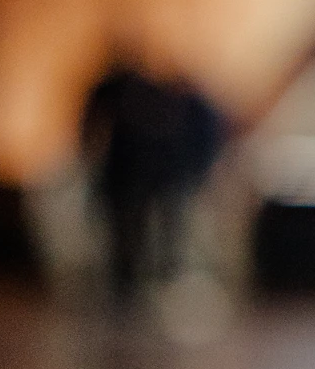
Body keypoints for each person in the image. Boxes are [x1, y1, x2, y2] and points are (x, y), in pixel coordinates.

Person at [78, 61, 228, 302]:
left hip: (156, 177)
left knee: (160, 228)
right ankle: (133, 281)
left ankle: (154, 277)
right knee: (135, 229)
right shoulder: (133, 99)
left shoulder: (186, 106)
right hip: (136, 177)